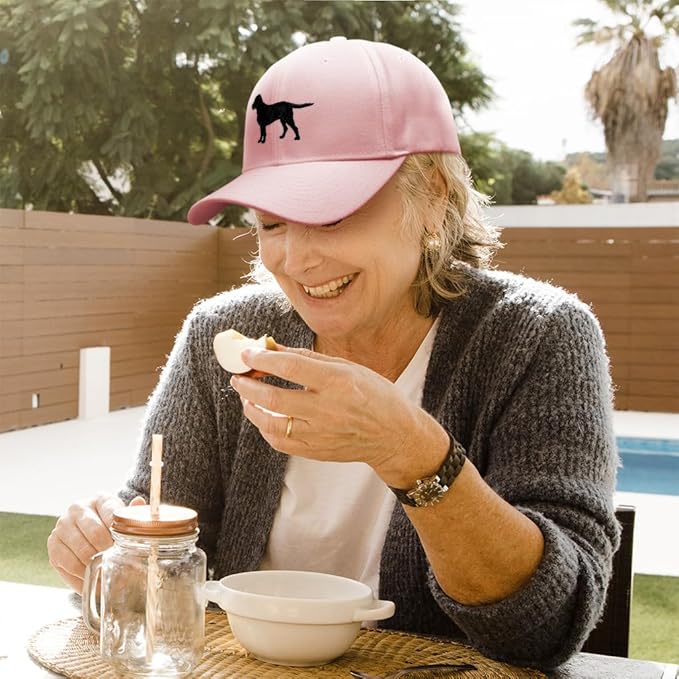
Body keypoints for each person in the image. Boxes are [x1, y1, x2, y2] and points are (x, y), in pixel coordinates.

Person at [48, 37, 620, 670]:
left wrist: (408, 450)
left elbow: (546, 628)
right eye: (270, 223)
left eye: (329, 215)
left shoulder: (536, 336)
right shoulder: (222, 335)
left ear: (433, 198)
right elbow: (154, 569)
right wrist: (107, 548)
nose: (296, 260)